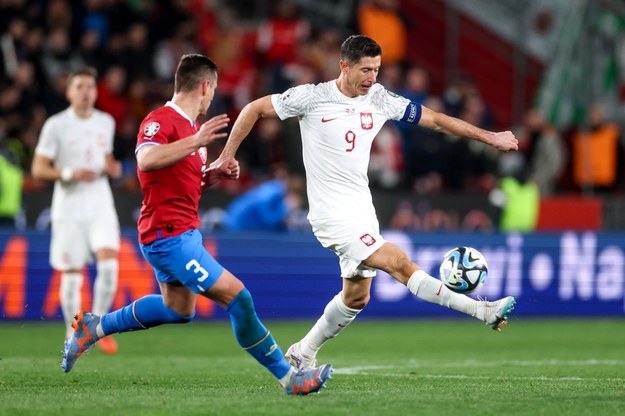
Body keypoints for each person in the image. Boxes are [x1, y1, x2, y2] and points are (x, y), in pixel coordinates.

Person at [211, 35, 519, 371]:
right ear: (344, 65)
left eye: (377, 69)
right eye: (366, 69)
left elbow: (435, 119)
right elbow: (254, 108)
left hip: (362, 213)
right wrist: (226, 156)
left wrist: (489, 137)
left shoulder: (379, 99)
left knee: (357, 297)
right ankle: (482, 310)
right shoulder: (312, 98)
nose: (372, 77)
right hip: (331, 216)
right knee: (400, 263)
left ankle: (303, 352)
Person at [60, 54, 332, 396]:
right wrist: (197, 141)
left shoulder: (190, 130)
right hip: (169, 236)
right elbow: (146, 160)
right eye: (213, 89)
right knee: (239, 298)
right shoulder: (163, 120)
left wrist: (212, 174)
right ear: (204, 86)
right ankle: (289, 378)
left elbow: (181, 181)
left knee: (178, 309)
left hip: (181, 232)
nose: (213, 95)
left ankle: (94, 327)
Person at [31, 67, 121, 355]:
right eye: (79, 86)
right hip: (69, 205)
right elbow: (38, 168)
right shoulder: (56, 125)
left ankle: (96, 328)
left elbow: (106, 158)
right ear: (69, 92)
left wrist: (112, 167)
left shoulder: (106, 122)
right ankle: (73, 333)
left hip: (99, 201)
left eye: (90, 87)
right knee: (72, 273)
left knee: (109, 265)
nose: (85, 91)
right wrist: (69, 172)